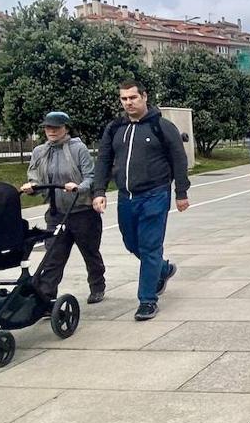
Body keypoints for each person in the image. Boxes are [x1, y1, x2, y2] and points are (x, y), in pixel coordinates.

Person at [92, 79, 190, 321]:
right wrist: (99, 191)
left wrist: (181, 192)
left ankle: (147, 300)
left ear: (144, 97)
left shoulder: (161, 127)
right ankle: (163, 269)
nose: (128, 103)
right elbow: (103, 160)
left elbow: (179, 159)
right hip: (127, 197)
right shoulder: (114, 128)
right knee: (131, 243)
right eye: (124, 99)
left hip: (155, 194)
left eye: (133, 98)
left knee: (149, 247)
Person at [21, 111, 106, 304]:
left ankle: (97, 286)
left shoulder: (78, 148)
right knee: (53, 256)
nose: (51, 131)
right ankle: (46, 296)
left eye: (56, 127)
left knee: (90, 252)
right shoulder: (40, 151)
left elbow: (90, 176)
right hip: (56, 213)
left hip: (82, 212)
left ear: (66, 128)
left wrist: (79, 187)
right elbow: (34, 175)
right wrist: (31, 187)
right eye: (48, 127)